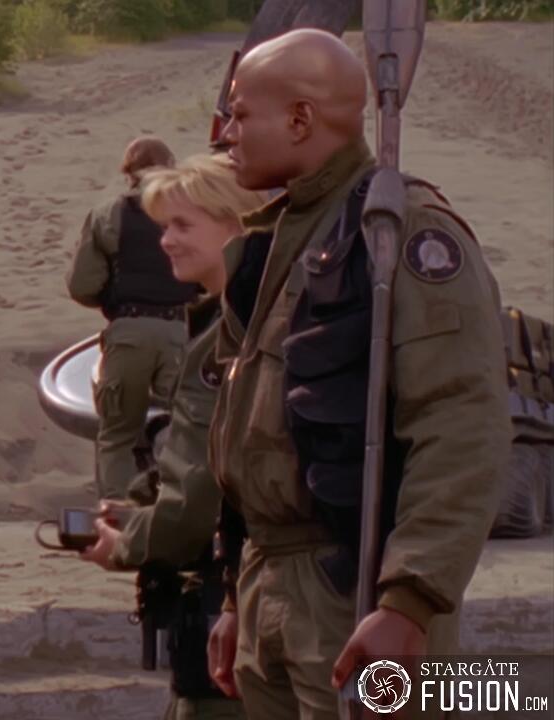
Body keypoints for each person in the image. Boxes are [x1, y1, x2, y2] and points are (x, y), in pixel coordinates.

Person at [203, 29, 511, 719]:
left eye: (240, 114)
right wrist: (235, 594)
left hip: (356, 589)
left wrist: (409, 602)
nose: (226, 134)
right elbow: (244, 435)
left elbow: (461, 427)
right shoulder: (271, 245)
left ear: (300, 119)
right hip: (269, 585)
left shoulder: (398, 235)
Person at [79, 154, 263, 720]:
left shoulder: (229, 339)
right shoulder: (245, 321)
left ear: (234, 224)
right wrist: (141, 506)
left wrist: (127, 543)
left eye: (182, 225)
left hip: (237, 612)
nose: (166, 241)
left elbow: (199, 501)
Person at [67, 136, 202, 501]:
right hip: (180, 333)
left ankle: (118, 514)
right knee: (189, 428)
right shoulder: (193, 211)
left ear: (128, 172)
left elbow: (82, 285)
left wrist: (116, 298)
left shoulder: (108, 214)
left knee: (117, 436)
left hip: (128, 331)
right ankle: (182, 507)